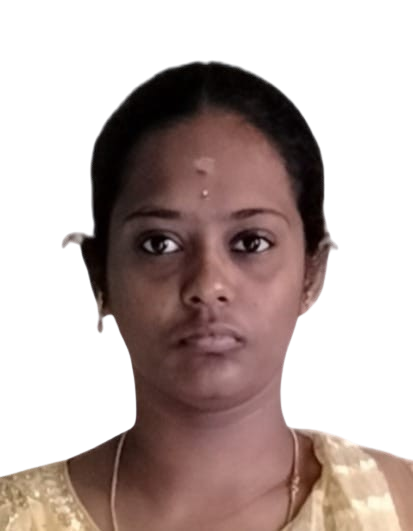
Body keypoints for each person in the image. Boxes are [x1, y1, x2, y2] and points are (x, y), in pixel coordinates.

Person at [1, 61, 412, 530]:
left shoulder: (400, 505)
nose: (207, 286)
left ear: (312, 271)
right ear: (99, 272)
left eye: (251, 242)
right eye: (160, 244)